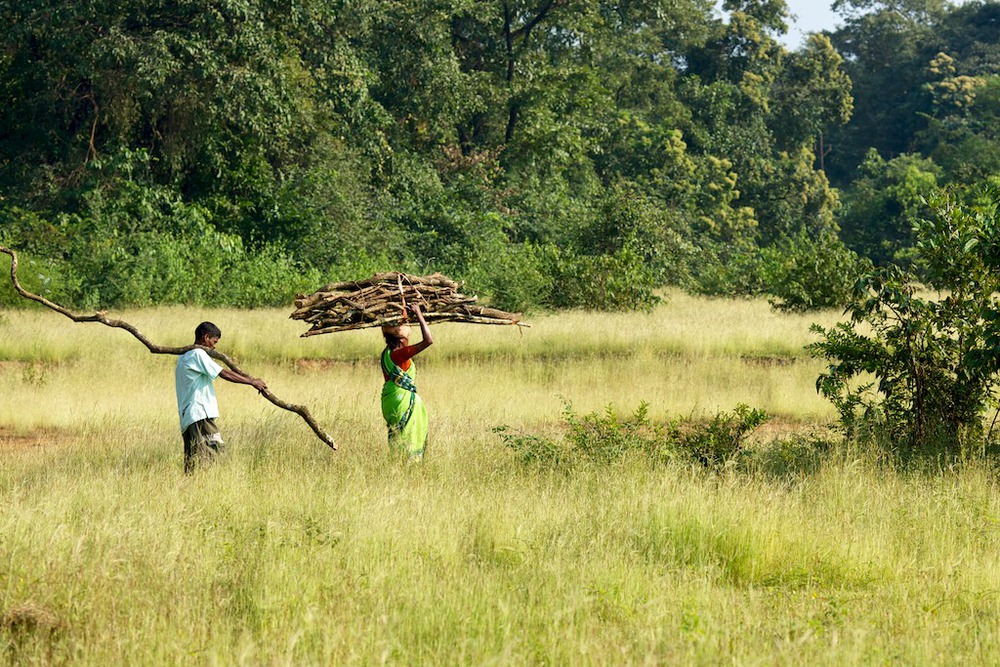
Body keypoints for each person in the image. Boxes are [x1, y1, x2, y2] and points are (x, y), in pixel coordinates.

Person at [175, 321, 267, 474]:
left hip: (188, 416)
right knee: (213, 452)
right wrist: (252, 381)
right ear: (206, 338)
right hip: (200, 414)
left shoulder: (184, 357)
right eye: (214, 341)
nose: (214, 346)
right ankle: (206, 487)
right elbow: (223, 373)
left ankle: (190, 491)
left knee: (193, 461)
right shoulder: (198, 354)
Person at [380, 304, 433, 461]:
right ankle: (408, 463)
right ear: (400, 339)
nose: (408, 339)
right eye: (406, 337)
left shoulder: (386, 354)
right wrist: (419, 314)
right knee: (408, 434)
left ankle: (396, 460)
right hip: (402, 401)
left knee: (396, 432)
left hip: (389, 401)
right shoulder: (401, 354)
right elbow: (428, 340)